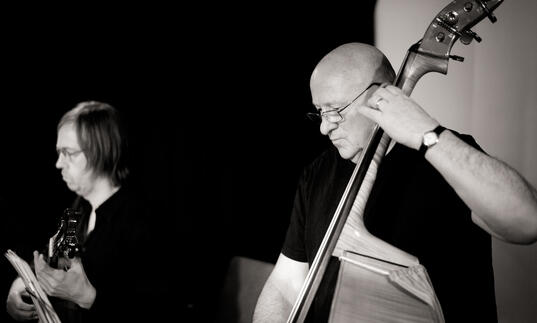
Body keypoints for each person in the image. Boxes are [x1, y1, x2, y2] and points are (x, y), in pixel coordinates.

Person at [253, 43, 537, 322]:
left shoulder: (447, 157)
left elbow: (527, 221)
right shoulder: (317, 173)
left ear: (381, 96)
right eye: (319, 111)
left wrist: (428, 134)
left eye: (335, 109)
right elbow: (285, 284)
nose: (324, 127)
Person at [5, 101, 152, 322]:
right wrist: (20, 287)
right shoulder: (79, 208)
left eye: (68, 153)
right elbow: (50, 259)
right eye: (58, 152)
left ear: (99, 151)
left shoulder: (141, 220)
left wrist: (87, 296)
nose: (58, 164)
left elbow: (156, 307)